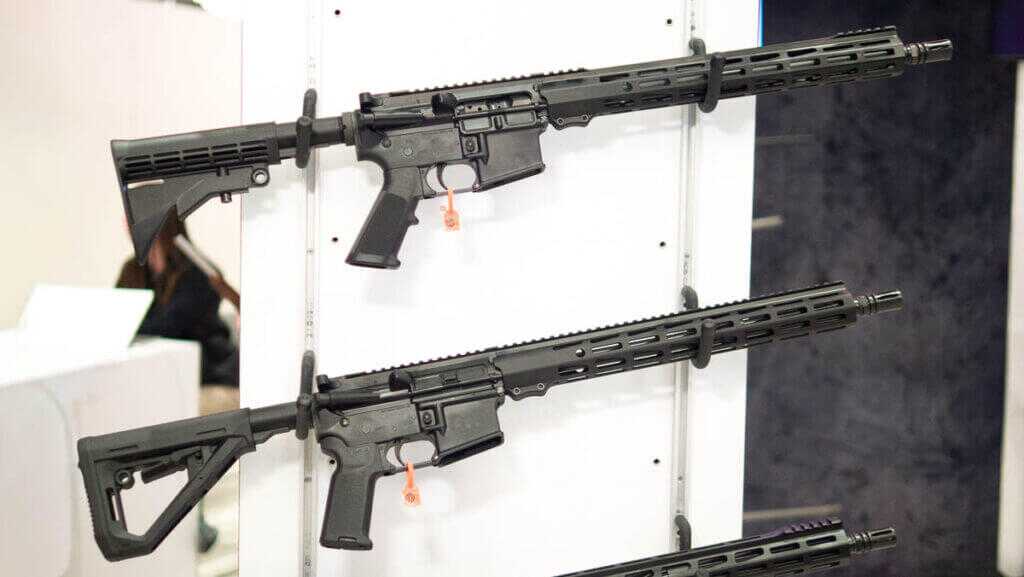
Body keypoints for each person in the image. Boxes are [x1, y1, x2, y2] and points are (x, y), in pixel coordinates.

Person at [116, 217, 239, 389]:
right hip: (158, 375)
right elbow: (117, 317)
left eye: (132, 215)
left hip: (208, 375)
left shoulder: (199, 272)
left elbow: (170, 325)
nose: (126, 222)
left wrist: (127, 327)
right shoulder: (131, 270)